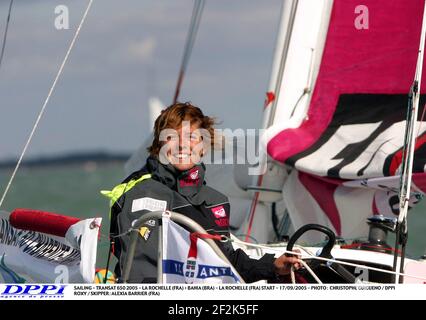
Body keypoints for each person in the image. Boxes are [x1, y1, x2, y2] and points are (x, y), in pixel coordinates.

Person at [107, 102, 300, 283]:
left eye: (191, 137)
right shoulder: (136, 192)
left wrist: (272, 267)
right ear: (159, 146)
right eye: (171, 137)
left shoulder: (216, 202)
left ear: (203, 147)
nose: (182, 144)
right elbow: (136, 269)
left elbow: (226, 263)